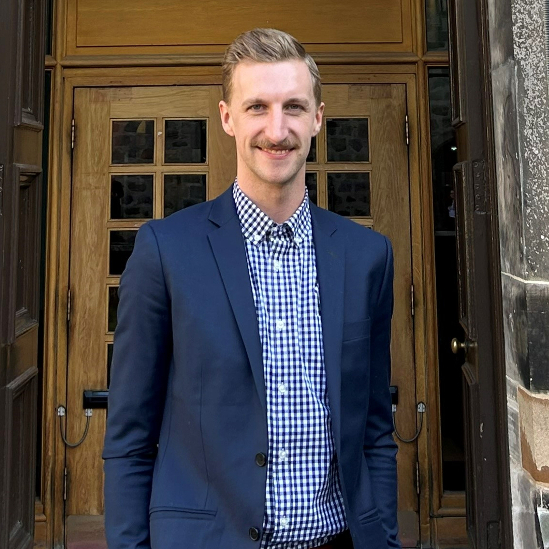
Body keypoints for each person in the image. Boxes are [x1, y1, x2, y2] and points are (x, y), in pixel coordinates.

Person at [103, 28, 400, 549]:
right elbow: (130, 438)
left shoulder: (366, 257)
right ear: (227, 117)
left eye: (293, 107)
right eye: (257, 107)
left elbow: (374, 432)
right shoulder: (166, 251)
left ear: (317, 118)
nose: (276, 129)